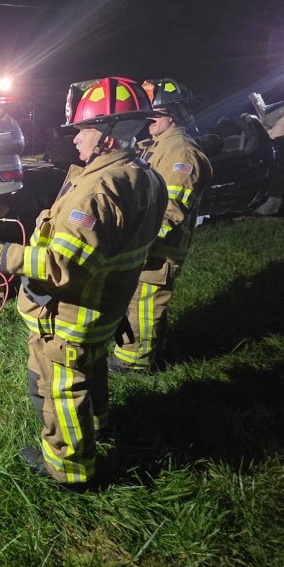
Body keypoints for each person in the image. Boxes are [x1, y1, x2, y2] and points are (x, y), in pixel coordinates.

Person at [0, 77, 167, 491]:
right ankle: (95, 431)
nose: (76, 139)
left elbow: (61, 266)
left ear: (109, 137)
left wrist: (0, 255)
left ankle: (69, 469)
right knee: (92, 373)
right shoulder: (144, 174)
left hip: (71, 315)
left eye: (85, 130)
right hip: (107, 309)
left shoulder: (98, 190)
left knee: (61, 389)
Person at [110, 79, 213, 372]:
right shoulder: (156, 147)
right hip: (145, 240)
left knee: (143, 302)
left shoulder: (181, 153)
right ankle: (157, 348)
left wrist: (137, 241)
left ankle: (134, 363)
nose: (149, 119)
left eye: (156, 113)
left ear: (174, 115)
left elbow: (171, 209)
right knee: (142, 299)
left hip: (159, 245)